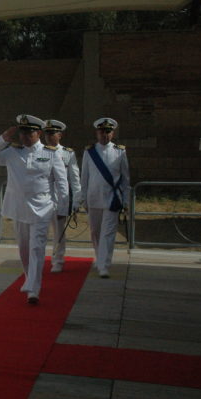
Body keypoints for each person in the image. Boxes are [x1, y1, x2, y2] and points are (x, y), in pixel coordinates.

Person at [0, 114, 68, 304]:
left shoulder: (51, 153)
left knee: (37, 248)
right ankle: (28, 278)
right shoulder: (13, 152)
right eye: (22, 132)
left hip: (43, 208)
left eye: (28, 132)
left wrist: (62, 207)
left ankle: (34, 288)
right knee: (24, 249)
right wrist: (4, 137)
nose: (24, 136)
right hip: (19, 209)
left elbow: (61, 183)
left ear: (38, 133)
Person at [77, 117, 130, 278]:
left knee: (108, 233)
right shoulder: (89, 151)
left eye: (108, 131)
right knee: (95, 232)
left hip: (112, 199)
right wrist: (83, 198)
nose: (105, 135)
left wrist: (126, 200)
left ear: (113, 133)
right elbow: (84, 177)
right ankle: (100, 258)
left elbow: (125, 179)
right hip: (93, 198)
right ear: (97, 133)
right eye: (102, 131)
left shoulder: (120, 151)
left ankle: (104, 265)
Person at [42, 119, 82, 273]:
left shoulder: (67, 153)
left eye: (52, 133)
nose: (49, 136)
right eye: (47, 133)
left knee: (59, 232)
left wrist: (76, 201)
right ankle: (38, 258)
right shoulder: (40, 151)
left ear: (60, 135)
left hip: (60, 199)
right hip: (42, 199)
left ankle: (58, 260)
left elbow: (74, 178)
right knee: (40, 232)